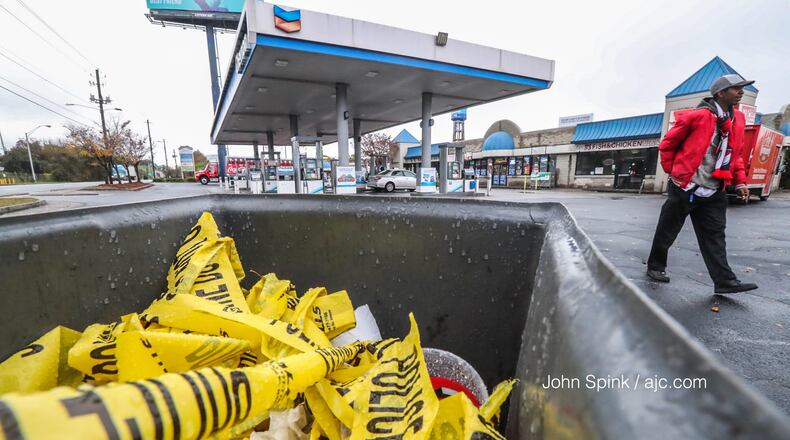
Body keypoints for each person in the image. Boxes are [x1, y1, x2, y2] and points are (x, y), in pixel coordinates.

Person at [646, 74, 758, 294]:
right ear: (720, 93)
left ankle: (724, 281)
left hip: (714, 189)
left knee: (715, 236)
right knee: (667, 231)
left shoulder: (738, 121)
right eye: (736, 88)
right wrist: (675, 173)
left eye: (742, 88)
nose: (741, 92)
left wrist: (740, 182)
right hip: (685, 187)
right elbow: (667, 145)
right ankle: (656, 266)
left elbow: (734, 155)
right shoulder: (697, 116)